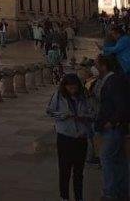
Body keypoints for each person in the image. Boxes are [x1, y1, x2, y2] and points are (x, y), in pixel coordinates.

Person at [47, 73, 95, 201]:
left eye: (75, 87)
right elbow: (50, 111)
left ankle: (79, 197)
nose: (72, 90)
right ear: (65, 86)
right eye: (70, 87)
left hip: (81, 137)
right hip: (65, 137)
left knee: (79, 171)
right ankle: (64, 196)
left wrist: (83, 116)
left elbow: (93, 113)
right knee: (65, 169)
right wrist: (63, 115)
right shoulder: (59, 96)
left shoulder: (85, 96)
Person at [94, 53, 130, 200]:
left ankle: (109, 193)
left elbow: (122, 105)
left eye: (96, 64)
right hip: (116, 127)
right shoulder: (112, 80)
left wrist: (112, 122)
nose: (95, 66)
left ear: (103, 66)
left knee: (106, 158)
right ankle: (122, 190)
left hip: (113, 128)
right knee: (119, 159)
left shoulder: (113, 81)